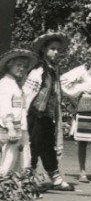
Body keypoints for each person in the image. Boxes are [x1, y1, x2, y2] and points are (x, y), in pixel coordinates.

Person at [23, 32, 74, 191]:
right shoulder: (38, 69)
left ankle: (56, 178)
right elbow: (28, 92)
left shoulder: (53, 69)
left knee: (48, 147)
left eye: (58, 49)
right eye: (52, 49)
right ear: (44, 49)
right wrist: (23, 115)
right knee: (33, 146)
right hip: (34, 114)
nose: (56, 52)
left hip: (46, 115)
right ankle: (27, 178)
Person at [61, 44, 91, 183]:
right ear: (89, 57)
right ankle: (82, 171)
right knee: (83, 140)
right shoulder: (82, 70)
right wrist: (80, 89)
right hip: (86, 103)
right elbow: (64, 80)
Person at [0, 49, 38, 176]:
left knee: (20, 155)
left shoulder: (16, 85)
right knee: (8, 156)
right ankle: (4, 183)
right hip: (10, 126)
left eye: (24, 66)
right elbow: (5, 108)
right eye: (18, 65)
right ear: (9, 65)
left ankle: (17, 183)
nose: (21, 69)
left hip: (20, 126)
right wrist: (10, 126)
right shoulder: (6, 84)